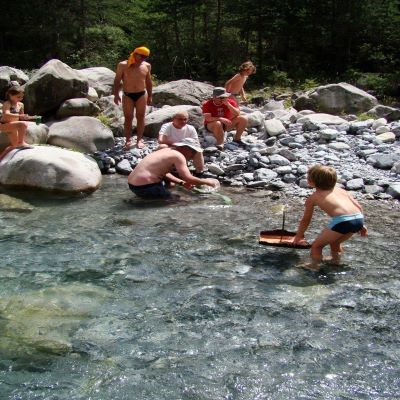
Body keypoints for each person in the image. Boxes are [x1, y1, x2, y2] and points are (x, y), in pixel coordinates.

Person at [293, 164, 368, 265]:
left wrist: (299, 236)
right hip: (358, 218)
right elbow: (358, 206)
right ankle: (336, 262)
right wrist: (362, 225)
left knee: (317, 246)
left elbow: (306, 219)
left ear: (311, 181)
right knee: (335, 242)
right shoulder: (342, 191)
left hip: (343, 221)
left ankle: (314, 266)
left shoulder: (313, 197)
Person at [128, 138, 219, 200]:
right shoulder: (178, 156)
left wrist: (181, 183)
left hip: (133, 185)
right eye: (194, 152)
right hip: (146, 187)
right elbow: (188, 178)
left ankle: (141, 201)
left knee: (166, 193)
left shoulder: (166, 150)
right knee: (177, 201)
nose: (193, 155)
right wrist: (208, 182)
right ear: (186, 148)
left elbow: (163, 173)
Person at [113, 46, 153, 149]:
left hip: (141, 94)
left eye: (145, 57)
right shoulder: (123, 65)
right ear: (135, 54)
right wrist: (116, 94)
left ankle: (139, 139)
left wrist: (150, 96)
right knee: (128, 118)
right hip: (127, 94)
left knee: (141, 117)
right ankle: (128, 140)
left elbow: (148, 82)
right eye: (142, 56)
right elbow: (117, 80)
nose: (143, 59)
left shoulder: (147, 66)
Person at [158, 110, 205, 176]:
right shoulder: (167, 126)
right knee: (162, 147)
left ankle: (199, 172)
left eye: (185, 119)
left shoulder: (191, 128)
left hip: (186, 150)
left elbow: (197, 144)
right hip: (172, 149)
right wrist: (178, 144)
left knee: (198, 150)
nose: (183, 121)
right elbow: (161, 140)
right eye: (180, 119)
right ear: (173, 119)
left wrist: (185, 146)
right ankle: (162, 169)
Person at [0, 85, 33, 160]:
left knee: (14, 146)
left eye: (22, 97)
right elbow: (6, 114)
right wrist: (19, 115)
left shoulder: (21, 104)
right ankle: (21, 142)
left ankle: (0, 158)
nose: (20, 99)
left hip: (13, 126)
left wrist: (30, 117)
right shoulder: (7, 104)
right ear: (11, 95)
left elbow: (21, 117)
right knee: (23, 125)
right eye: (18, 97)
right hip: (4, 125)